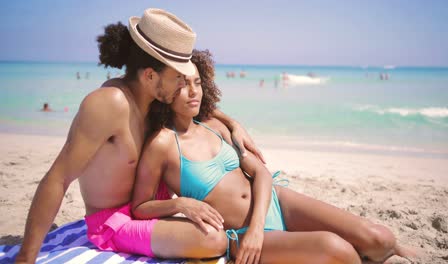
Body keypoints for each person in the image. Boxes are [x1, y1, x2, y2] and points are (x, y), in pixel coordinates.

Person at [15, 8, 264, 263]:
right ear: (150, 75)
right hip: (114, 223)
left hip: (151, 212)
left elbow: (197, 111)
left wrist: (232, 123)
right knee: (214, 238)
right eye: (178, 77)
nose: (183, 86)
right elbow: (58, 178)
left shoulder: (155, 99)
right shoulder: (110, 104)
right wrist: (26, 257)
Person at [132, 50, 415, 264]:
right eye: (182, 84)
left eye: (197, 82)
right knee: (336, 249)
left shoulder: (214, 125)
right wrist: (181, 204)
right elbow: (140, 207)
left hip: (275, 202)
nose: (193, 91)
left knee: (380, 238)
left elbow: (261, 173)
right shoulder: (162, 143)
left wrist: (258, 227)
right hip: (239, 233)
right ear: (164, 90)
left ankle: (389, 250)